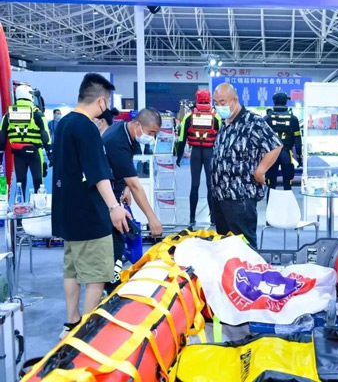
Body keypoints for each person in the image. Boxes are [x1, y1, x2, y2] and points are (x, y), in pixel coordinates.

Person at [52, 73, 130, 339]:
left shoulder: (64, 123)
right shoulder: (87, 128)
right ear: (100, 101)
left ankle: (71, 321)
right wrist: (114, 207)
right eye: (106, 103)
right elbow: (97, 173)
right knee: (97, 274)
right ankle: (84, 332)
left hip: (67, 212)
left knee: (72, 269)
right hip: (89, 214)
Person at [211, 83, 282, 249]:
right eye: (216, 102)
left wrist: (260, 171)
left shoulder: (252, 122)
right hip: (220, 195)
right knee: (224, 245)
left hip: (240, 196)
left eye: (222, 102)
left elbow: (275, 146)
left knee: (245, 246)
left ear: (235, 100)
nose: (219, 106)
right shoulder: (225, 122)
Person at [103, 108, 164, 294]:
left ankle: (109, 280)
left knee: (121, 235)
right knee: (116, 239)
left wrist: (126, 188)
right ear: (138, 125)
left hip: (115, 189)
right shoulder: (117, 142)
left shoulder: (129, 133)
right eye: (151, 132)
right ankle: (110, 286)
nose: (151, 137)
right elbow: (136, 185)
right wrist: (152, 218)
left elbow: (127, 169)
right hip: (103, 197)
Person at [176, 89, 221, 227]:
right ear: (209, 99)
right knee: (210, 186)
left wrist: (179, 156)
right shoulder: (216, 116)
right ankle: (213, 218)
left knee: (194, 185)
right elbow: (221, 138)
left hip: (195, 152)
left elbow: (182, 138)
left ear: (197, 98)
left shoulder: (189, 116)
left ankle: (192, 218)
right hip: (210, 153)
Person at [0, 84, 53, 197]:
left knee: (20, 182)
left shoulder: (8, 114)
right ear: (30, 96)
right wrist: (50, 153)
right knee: (38, 183)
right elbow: (45, 135)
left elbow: (2, 136)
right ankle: (39, 203)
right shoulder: (37, 113)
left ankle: (19, 204)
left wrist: (0, 155)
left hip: (18, 153)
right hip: (35, 152)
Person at [264, 92, 302, 190]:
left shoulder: (267, 118)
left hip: (271, 154)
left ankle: (271, 200)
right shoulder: (293, 119)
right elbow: (298, 142)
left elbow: (261, 140)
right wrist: (299, 158)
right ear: (286, 102)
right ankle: (287, 199)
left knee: (271, 185)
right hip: (286, 153)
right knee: (287, 185)